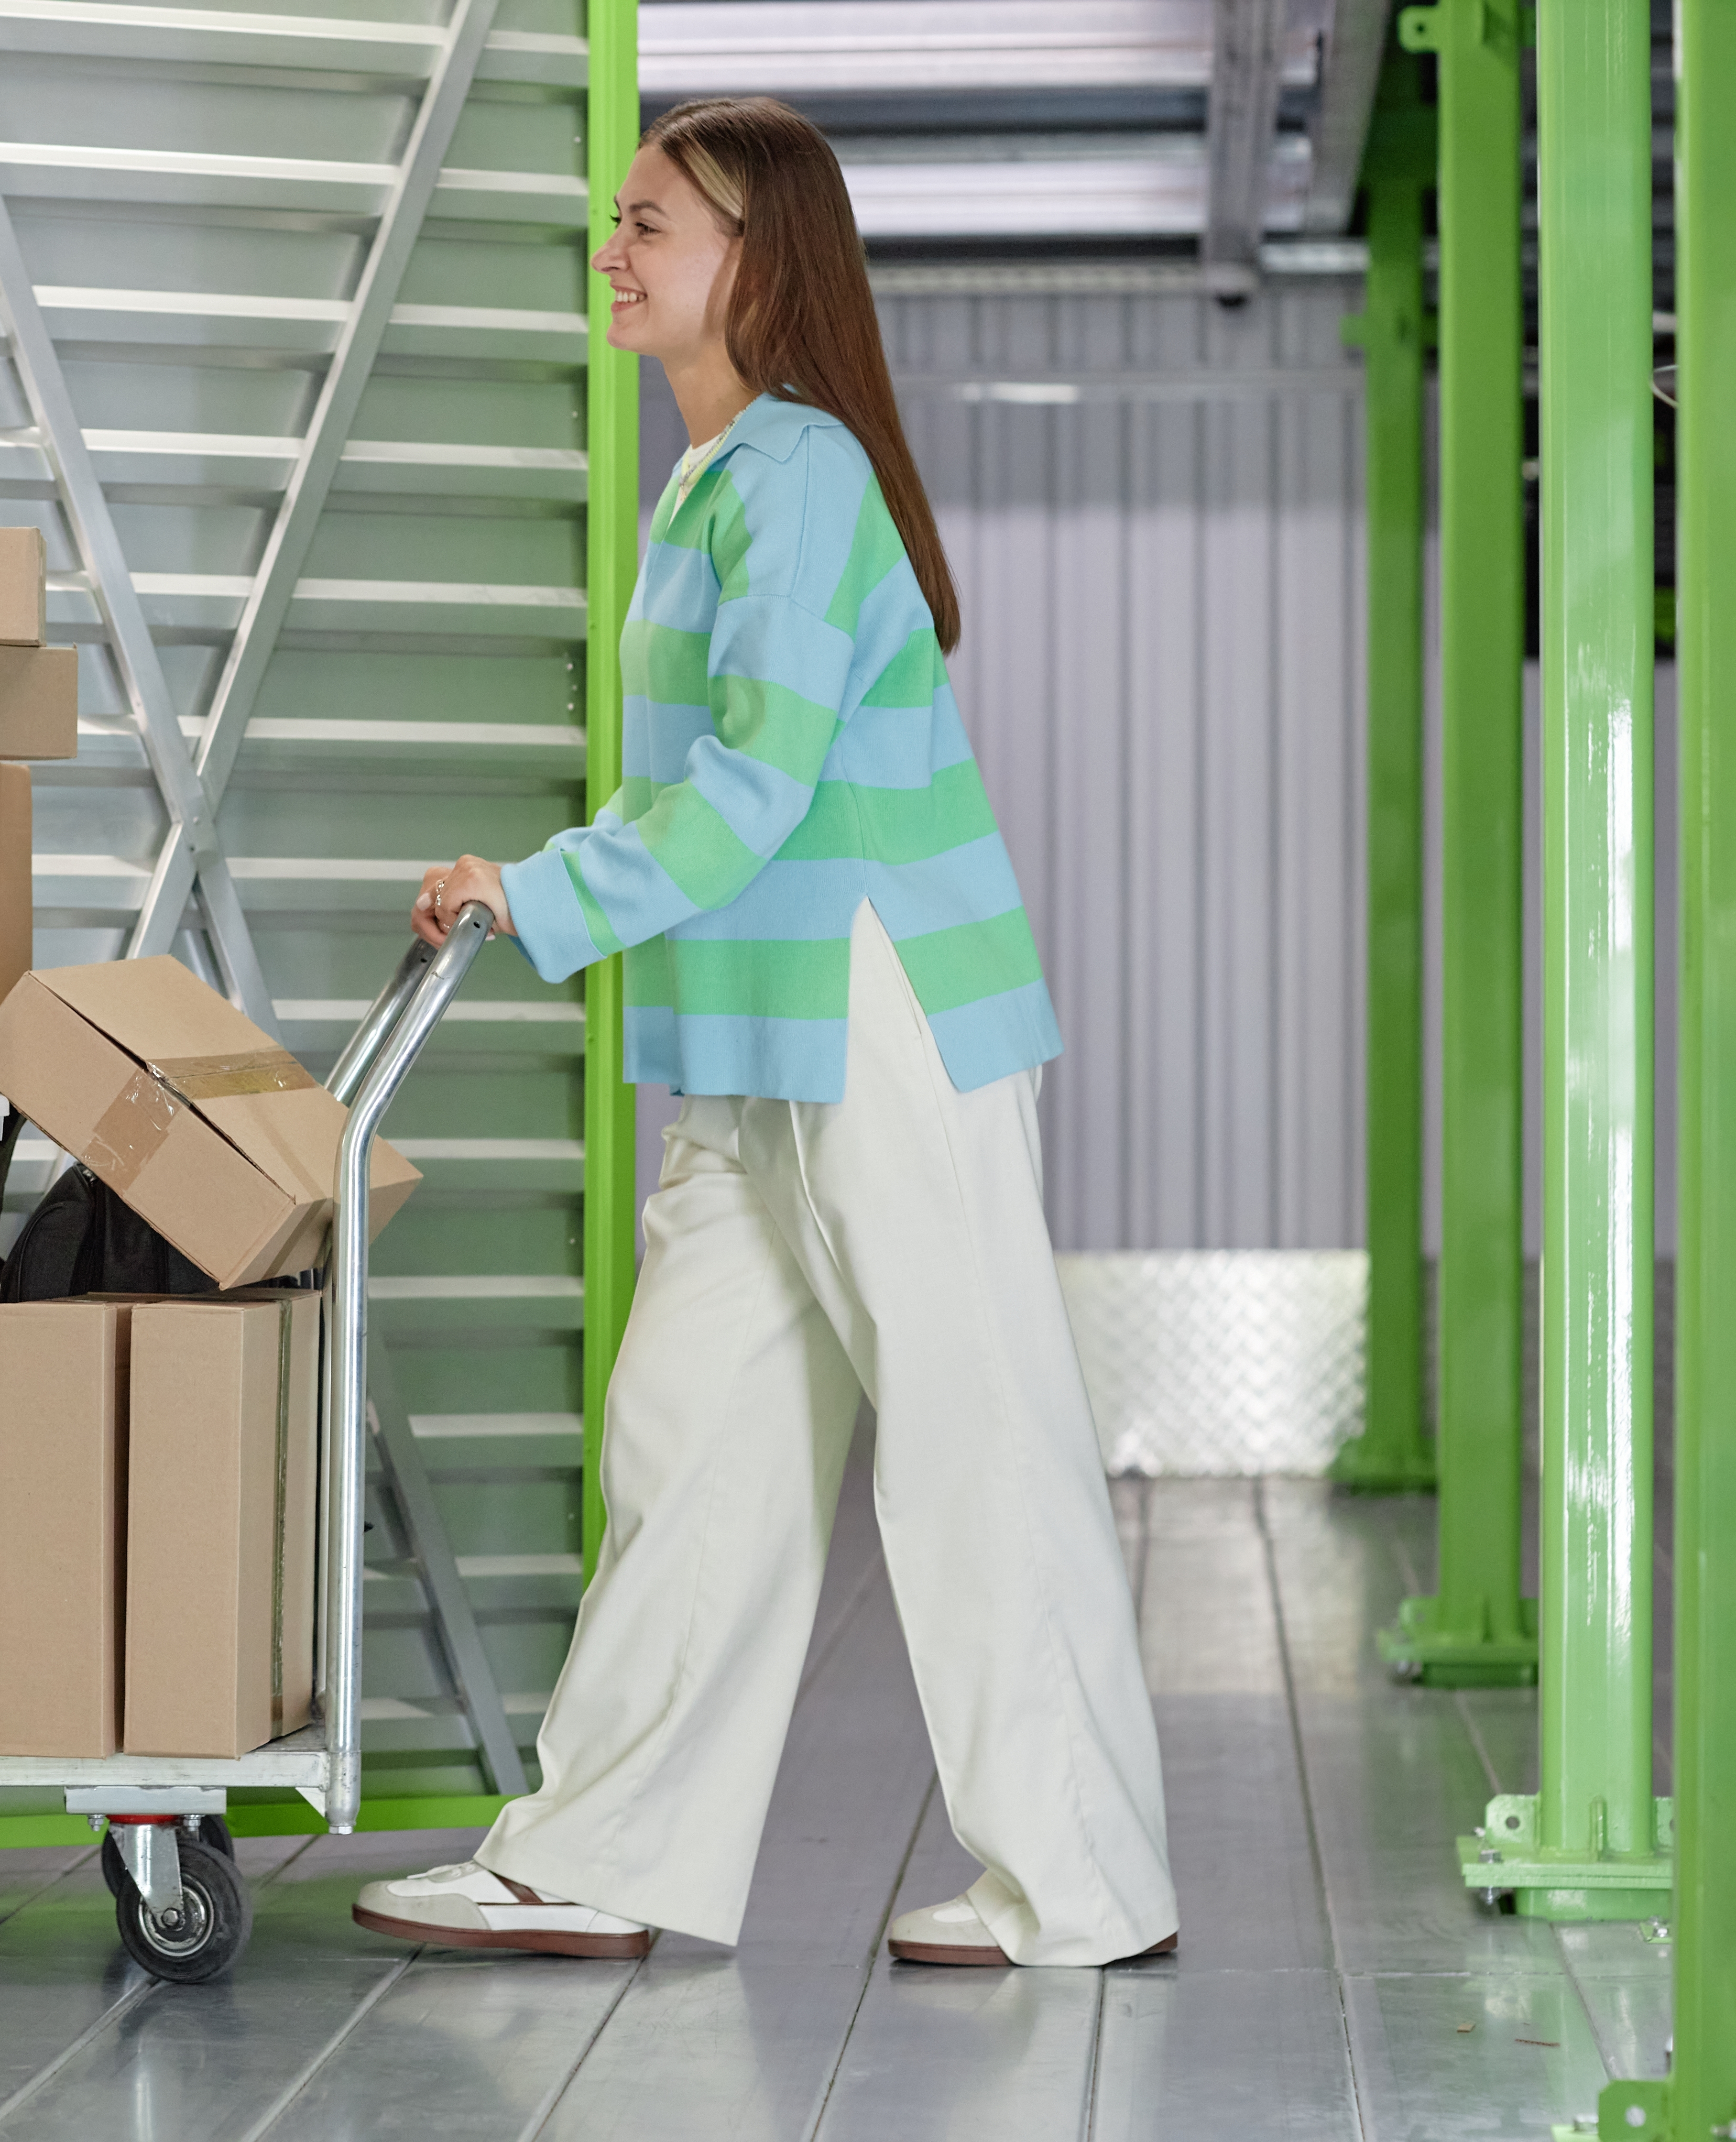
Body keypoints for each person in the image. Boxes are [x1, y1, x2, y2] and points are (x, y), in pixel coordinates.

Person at [349, 96, 1176, 1970]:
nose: (612, 250)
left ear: (756, 258)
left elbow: (759, 780)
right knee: (693, 1437)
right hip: (751, 1025)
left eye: (650, 223)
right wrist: (559, 892)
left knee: (972, 1430)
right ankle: (603, 1852)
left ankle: (1088, 1884)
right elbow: (714, 795)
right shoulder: (714, 480)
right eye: (618, 219)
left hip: (880, 1004)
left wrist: (534, 891)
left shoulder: (798, 471)